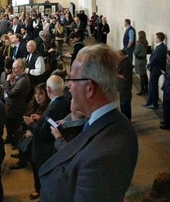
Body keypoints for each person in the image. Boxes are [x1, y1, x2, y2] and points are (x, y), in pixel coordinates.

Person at [39, 44, 138, 201]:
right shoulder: (102, 124)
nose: (68, 86)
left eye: (71, 80)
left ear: (90, 89)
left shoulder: (106, 155)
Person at [27, 76, 70, 199]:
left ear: (48, 90)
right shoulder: (63, 102)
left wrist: (30, 123)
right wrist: (41, 119)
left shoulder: (54, 107)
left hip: (45, 149)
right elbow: (53, 123)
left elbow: (43, 133)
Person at [145, 32, 167, 109]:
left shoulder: (161, 47)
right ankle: (150, 102)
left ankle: (154, 103)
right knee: (152, 86)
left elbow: (155, 58)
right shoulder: (159, 47)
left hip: (156, 69)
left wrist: (149, 64)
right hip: (154, 68)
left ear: (158, 38)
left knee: (153, 86)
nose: (155, 39)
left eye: (156, 37)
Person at [117, 49, 133, 120]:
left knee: (124, 105)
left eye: (118, 56)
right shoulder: (122, 62)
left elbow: (124, 76)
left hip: (125, 87)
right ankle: (127, 118)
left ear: (122, 55)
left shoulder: (126, 63)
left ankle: (126, 119)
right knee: (124, 104)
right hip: (122, 87)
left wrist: (115, 74)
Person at [134, 30, 149, 96]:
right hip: (144, 60)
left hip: (139, 61)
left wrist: (137, 44)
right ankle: (146, 88)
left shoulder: (139, 44)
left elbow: (135, 52)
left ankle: (142, 90)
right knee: (144, 74)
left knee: (141, 76)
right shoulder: (146, 42)